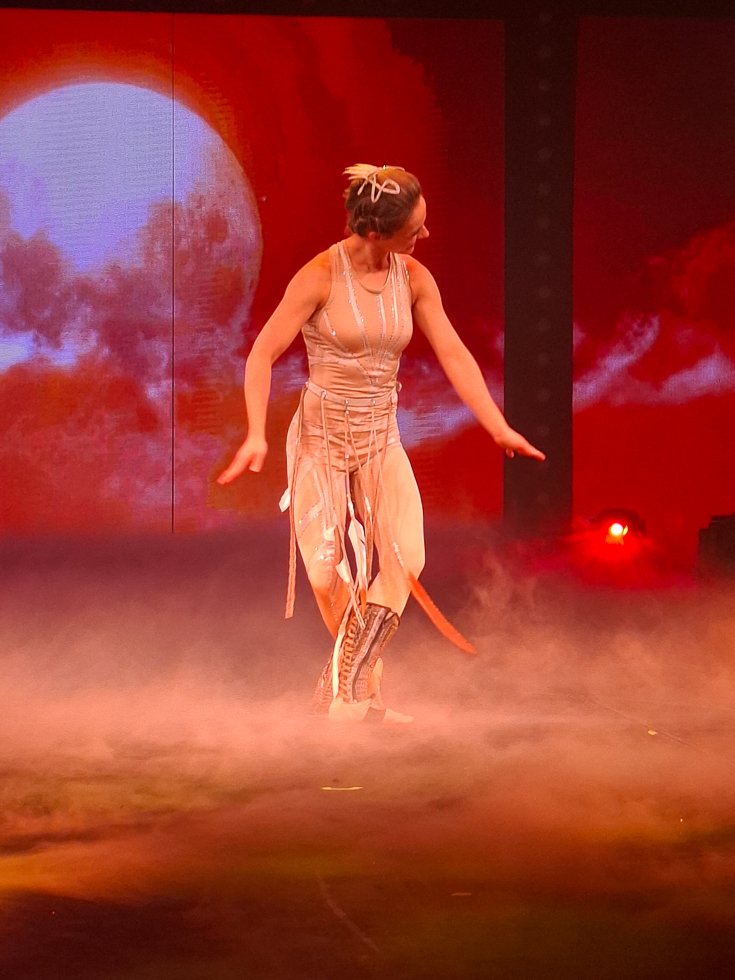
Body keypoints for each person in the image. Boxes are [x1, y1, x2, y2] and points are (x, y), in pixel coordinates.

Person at [218, 164, 544, 723]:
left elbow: (454, 352)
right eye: (414, 230)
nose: (425, 236)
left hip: (378, 438)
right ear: (374, 232)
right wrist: (254, 432)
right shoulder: (320, 276)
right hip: (321, 439)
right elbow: (262, 354)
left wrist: (497, 424)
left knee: (407, 557)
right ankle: (361, 698)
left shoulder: (414, 278)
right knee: (324, 575)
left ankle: (347, 686)